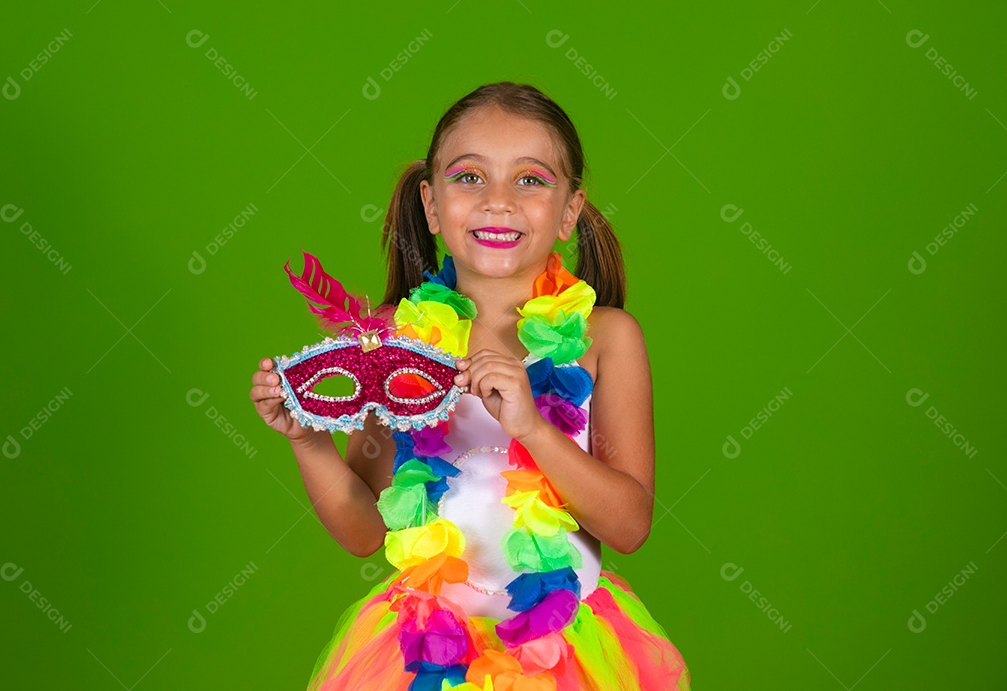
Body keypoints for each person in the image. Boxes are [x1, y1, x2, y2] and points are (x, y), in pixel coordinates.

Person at [250, 81, 692, 690]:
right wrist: (306, 442)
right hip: (425, 657)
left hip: (561, 659)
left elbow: (629, 525)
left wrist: (532, 427)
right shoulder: (395, 341)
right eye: (469, 177)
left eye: (531, 180)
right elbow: (363, 532)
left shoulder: (606, 337)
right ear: (431, 205)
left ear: (570, 211)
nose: (498, 202)